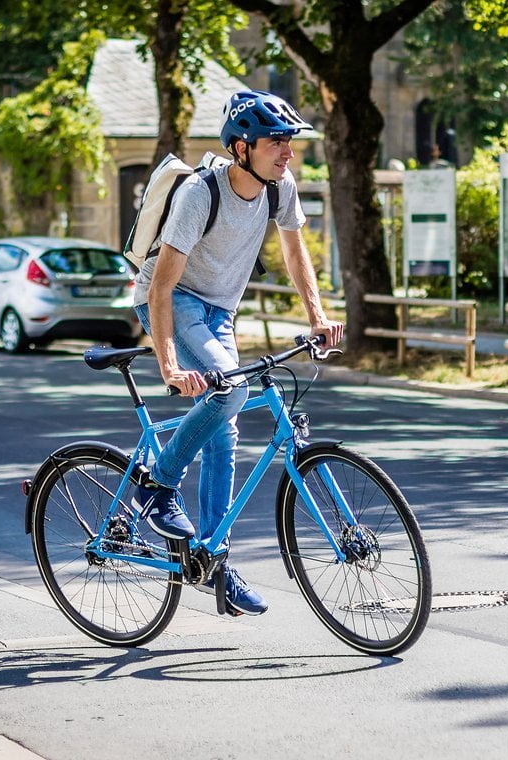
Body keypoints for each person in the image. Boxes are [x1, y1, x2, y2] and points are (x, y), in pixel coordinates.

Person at [132, 90, 344, 616]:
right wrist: (169, 367)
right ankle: (157, 485)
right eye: (277, 141)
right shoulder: (200, 195)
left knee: (225, 419)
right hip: (171, 299)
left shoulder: (280, 188)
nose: (288, 152)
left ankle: (211, 559)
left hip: (219, 313)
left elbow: (296, 256)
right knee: (234, 388)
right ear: (242, 147)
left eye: (290, 142)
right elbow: (160, 289)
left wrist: (316, 316)